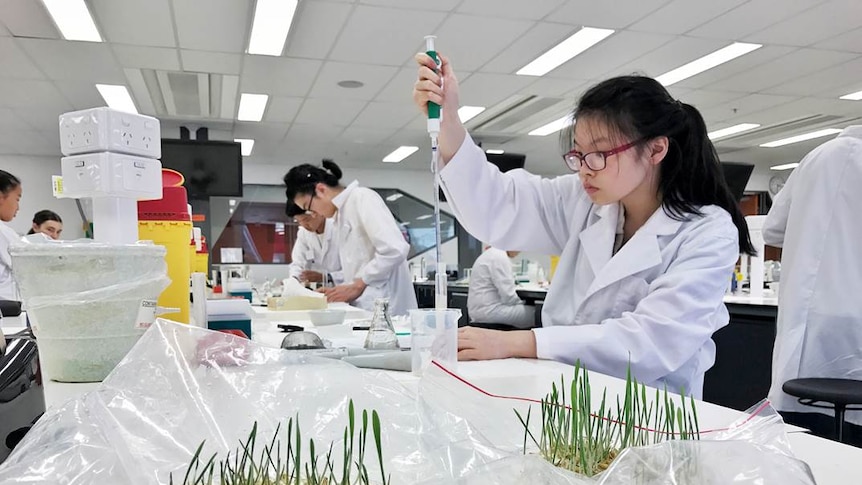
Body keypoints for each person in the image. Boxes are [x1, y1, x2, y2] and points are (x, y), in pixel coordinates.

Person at [412, 54, 753, 398]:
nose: (584, 169)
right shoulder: (583, 201)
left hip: (653, 408)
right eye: (578, 154)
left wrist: (516, 341)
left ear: (655, 149)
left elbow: (651, 341)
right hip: (567, 396)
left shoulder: (708, 232)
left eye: (600, 154)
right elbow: (499, 205)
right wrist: (449, 119)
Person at [763, 126, 862, 438]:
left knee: (803, 430)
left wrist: (809, 228)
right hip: (855, 321)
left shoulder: (815, 158)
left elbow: (772, 231)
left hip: (806, 317)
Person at [283, 161, 418, 316]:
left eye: (308, 207)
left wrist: (358, 285)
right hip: (366, 307)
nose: (313, 214)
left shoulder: (361, 198)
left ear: (320, 190)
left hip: (389, 307)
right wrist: (340, 290)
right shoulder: (340, 215)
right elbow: (358, 265)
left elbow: (394, 249)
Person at [468, 246, 534, 329]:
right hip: (490, 312)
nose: (519, 253)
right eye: (519, 249)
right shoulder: (500, 256)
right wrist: (523, 303)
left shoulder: (492, 253)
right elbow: (508, 296)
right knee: (535, 313)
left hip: (478, 312)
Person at [285, 202, 343, 287]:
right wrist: (293, 280)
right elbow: (298, 262)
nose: (304, 225)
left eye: (306, 220)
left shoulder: (338, 229)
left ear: (317, 212)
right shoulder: (303, 233)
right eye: (298, 221)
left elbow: (353, 270)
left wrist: (326, 277)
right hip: (320, 290)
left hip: (344, 289)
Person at [0, 170, 23, 301]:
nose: (17, 207)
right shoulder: (3, 233)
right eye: (17, 199)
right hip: (6, 309)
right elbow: (27, 266)